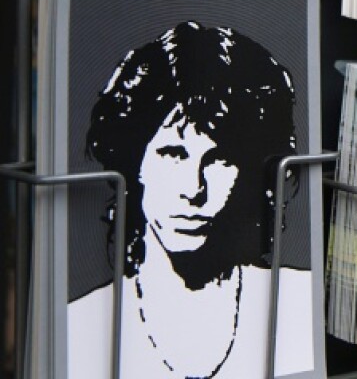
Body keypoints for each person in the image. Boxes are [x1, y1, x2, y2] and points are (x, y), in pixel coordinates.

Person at [67, 22, 315, 378]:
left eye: (220, 159)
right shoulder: (79, 324)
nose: (193, 188)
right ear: (133, 161)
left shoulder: (298, 299)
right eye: (172, 153)